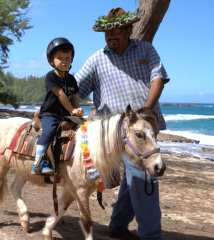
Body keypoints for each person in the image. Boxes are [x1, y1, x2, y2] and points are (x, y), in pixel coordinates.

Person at [75, 7, 169, 240]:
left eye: (116, 31)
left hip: (144, 129)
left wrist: (146, 110)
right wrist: (57, 99)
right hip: (117, 135)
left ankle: (118, 226)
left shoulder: (146, 49)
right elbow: (75, 89)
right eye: (107, 33)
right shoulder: (97, 59)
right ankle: (151, 236)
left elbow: (158, 77)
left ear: (128, 29)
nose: (110, 36)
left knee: (134, 178)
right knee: (142, 177)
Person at [31, 37, 84, 175]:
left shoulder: (71, 79)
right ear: (51, 60)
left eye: (67, 58)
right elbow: (61, 95)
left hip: (65, 114)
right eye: (60, 58)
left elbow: (74, 97)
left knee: (84, 129)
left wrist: (77, 111)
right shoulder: (51, 76)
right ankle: (38, 162)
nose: (64, 61)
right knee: (49, 131)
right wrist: (72, 109)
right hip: (51, 113)